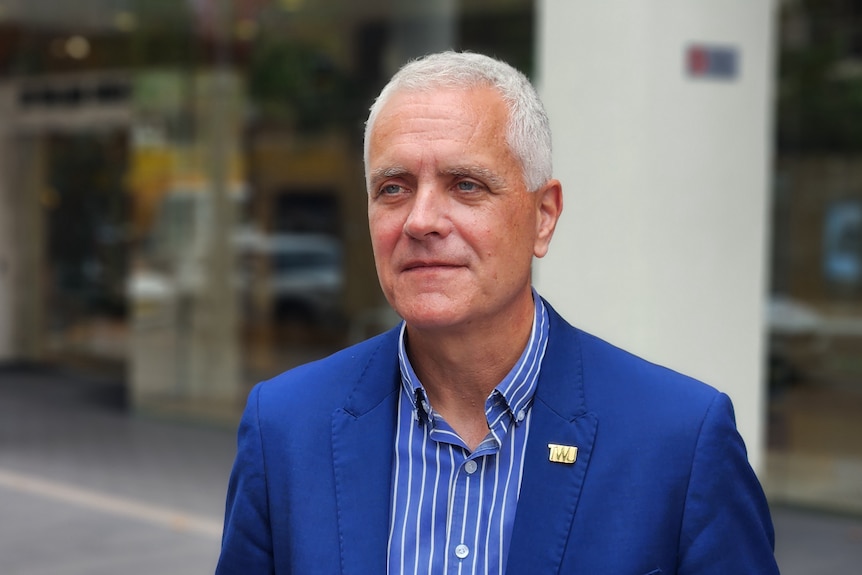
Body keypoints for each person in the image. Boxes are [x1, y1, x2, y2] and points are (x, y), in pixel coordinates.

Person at [216, 51, 779, 574]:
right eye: (393, 188)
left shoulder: (679, 441)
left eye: (466, 185)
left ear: (544, 216)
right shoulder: (285, 429)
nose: (420, 220)